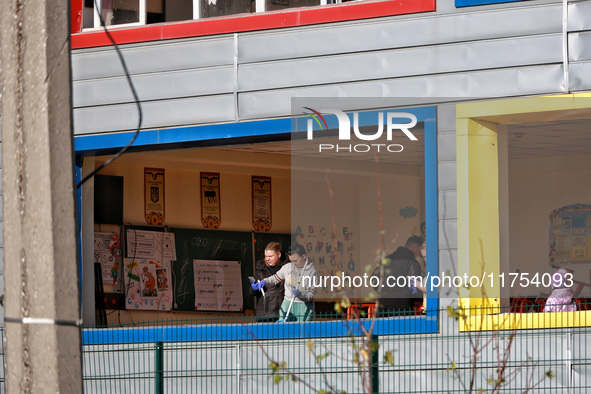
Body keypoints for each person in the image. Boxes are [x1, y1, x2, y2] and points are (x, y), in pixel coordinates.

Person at [251, 243, 318, 322]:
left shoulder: (311, 272)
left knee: (302, 332)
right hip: (287, 303)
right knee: (284, 331)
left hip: (303, 305)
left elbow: (311, 293)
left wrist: (301, 295)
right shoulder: (287, 267)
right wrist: (265, 281)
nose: (293, 263)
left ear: (303, 257)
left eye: (296, 260)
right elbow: (275, 278)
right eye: (291, 260)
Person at [378, 235, 424, 315]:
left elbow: (373, 278)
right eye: (419, 252)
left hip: (383, 307)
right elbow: (415, 287)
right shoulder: (412, 263)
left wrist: (384, 292)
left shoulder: (386, 260)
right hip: (403, 308)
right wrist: (419, 300)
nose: (418, 255)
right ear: (415, 247)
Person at [249, 242, 287, 322]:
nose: (267, 259)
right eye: (266, 256)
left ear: (279, 254)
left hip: (283, 313)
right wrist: (254, 288)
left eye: (270, 256)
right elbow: (253, 292)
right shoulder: (261, 268)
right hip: (265, 314)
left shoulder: (287, 267)